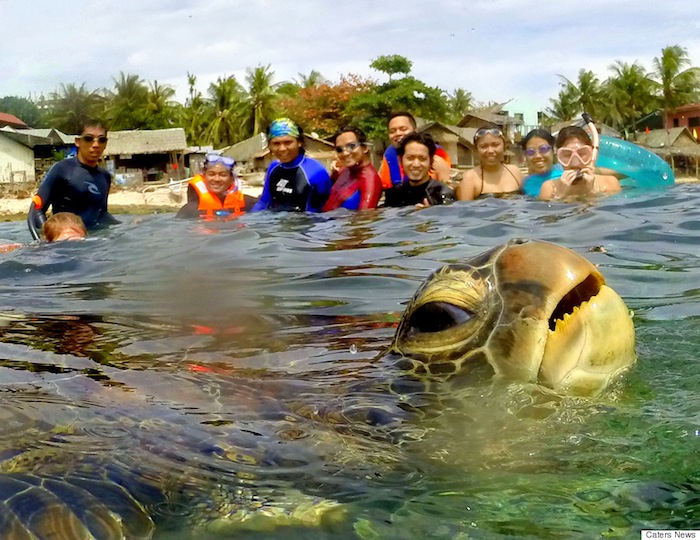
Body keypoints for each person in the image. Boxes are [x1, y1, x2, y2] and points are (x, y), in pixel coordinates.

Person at [27, 119, 118, 240]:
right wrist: (44, 244)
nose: (96, 144)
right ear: (78, 142)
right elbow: (35, 212)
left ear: (105, 144)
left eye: (101, 140)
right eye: (88, 138)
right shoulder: (61, 169)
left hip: (94, 243)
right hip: (66, 243)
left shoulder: (104, 176)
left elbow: (102, 215)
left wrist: (129, 226)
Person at [250, 118, 331, 213]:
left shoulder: (316, 171)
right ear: (270, 146)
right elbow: (263, 202)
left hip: (306, 224)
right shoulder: (273, 168)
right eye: (276, 143)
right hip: (276, 223)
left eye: (288, 142)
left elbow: (327, 207)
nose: (282, 149)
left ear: (299, 142)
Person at [539, 126, 621, 201]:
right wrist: (561, 195)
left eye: (582, 154)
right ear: (558, 157)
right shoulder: (549, 189)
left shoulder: (610, 183)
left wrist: (591, 191)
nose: (575, 162)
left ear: (591, 154)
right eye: (567, 155)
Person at [378, 112, 452, 189]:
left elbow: (447, 190)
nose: (398, 133)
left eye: (403, 129)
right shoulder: (389, 158)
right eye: (392, 131)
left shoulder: (436, 160)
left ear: (415, 131)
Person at [384, 132, 455, 207]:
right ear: (400, 160)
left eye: (422, 159)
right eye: (410, 158)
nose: (416, 164)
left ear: (431, 162)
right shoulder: (394, 194)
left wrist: (431, 213)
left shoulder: (442, 193)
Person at [176, 153, 256, 220]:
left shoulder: (246, 203)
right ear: (204, 176)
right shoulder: (190, 210)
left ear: (232, 178)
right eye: (211, 174)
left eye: (223, 175)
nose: (217, 179)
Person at [322, 126, 382, 212]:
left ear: (364, 148)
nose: (345, 153)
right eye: (339, 149)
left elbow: (366, 219)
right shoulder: (342, 171)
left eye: (351, 146)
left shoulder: (370, 180)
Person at [456, 125, 523, 200]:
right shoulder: (469, 178)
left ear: (504, 146)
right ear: (476, 150)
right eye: (483, 146)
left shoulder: (515, 172)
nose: (490, 151)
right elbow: (463, 210)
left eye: (495, 145)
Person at [521, 128, 563, 197]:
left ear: (554, 150)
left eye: (543, 149)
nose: (537, 156)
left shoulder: (565, 174)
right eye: (530, 152)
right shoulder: (526, 184)